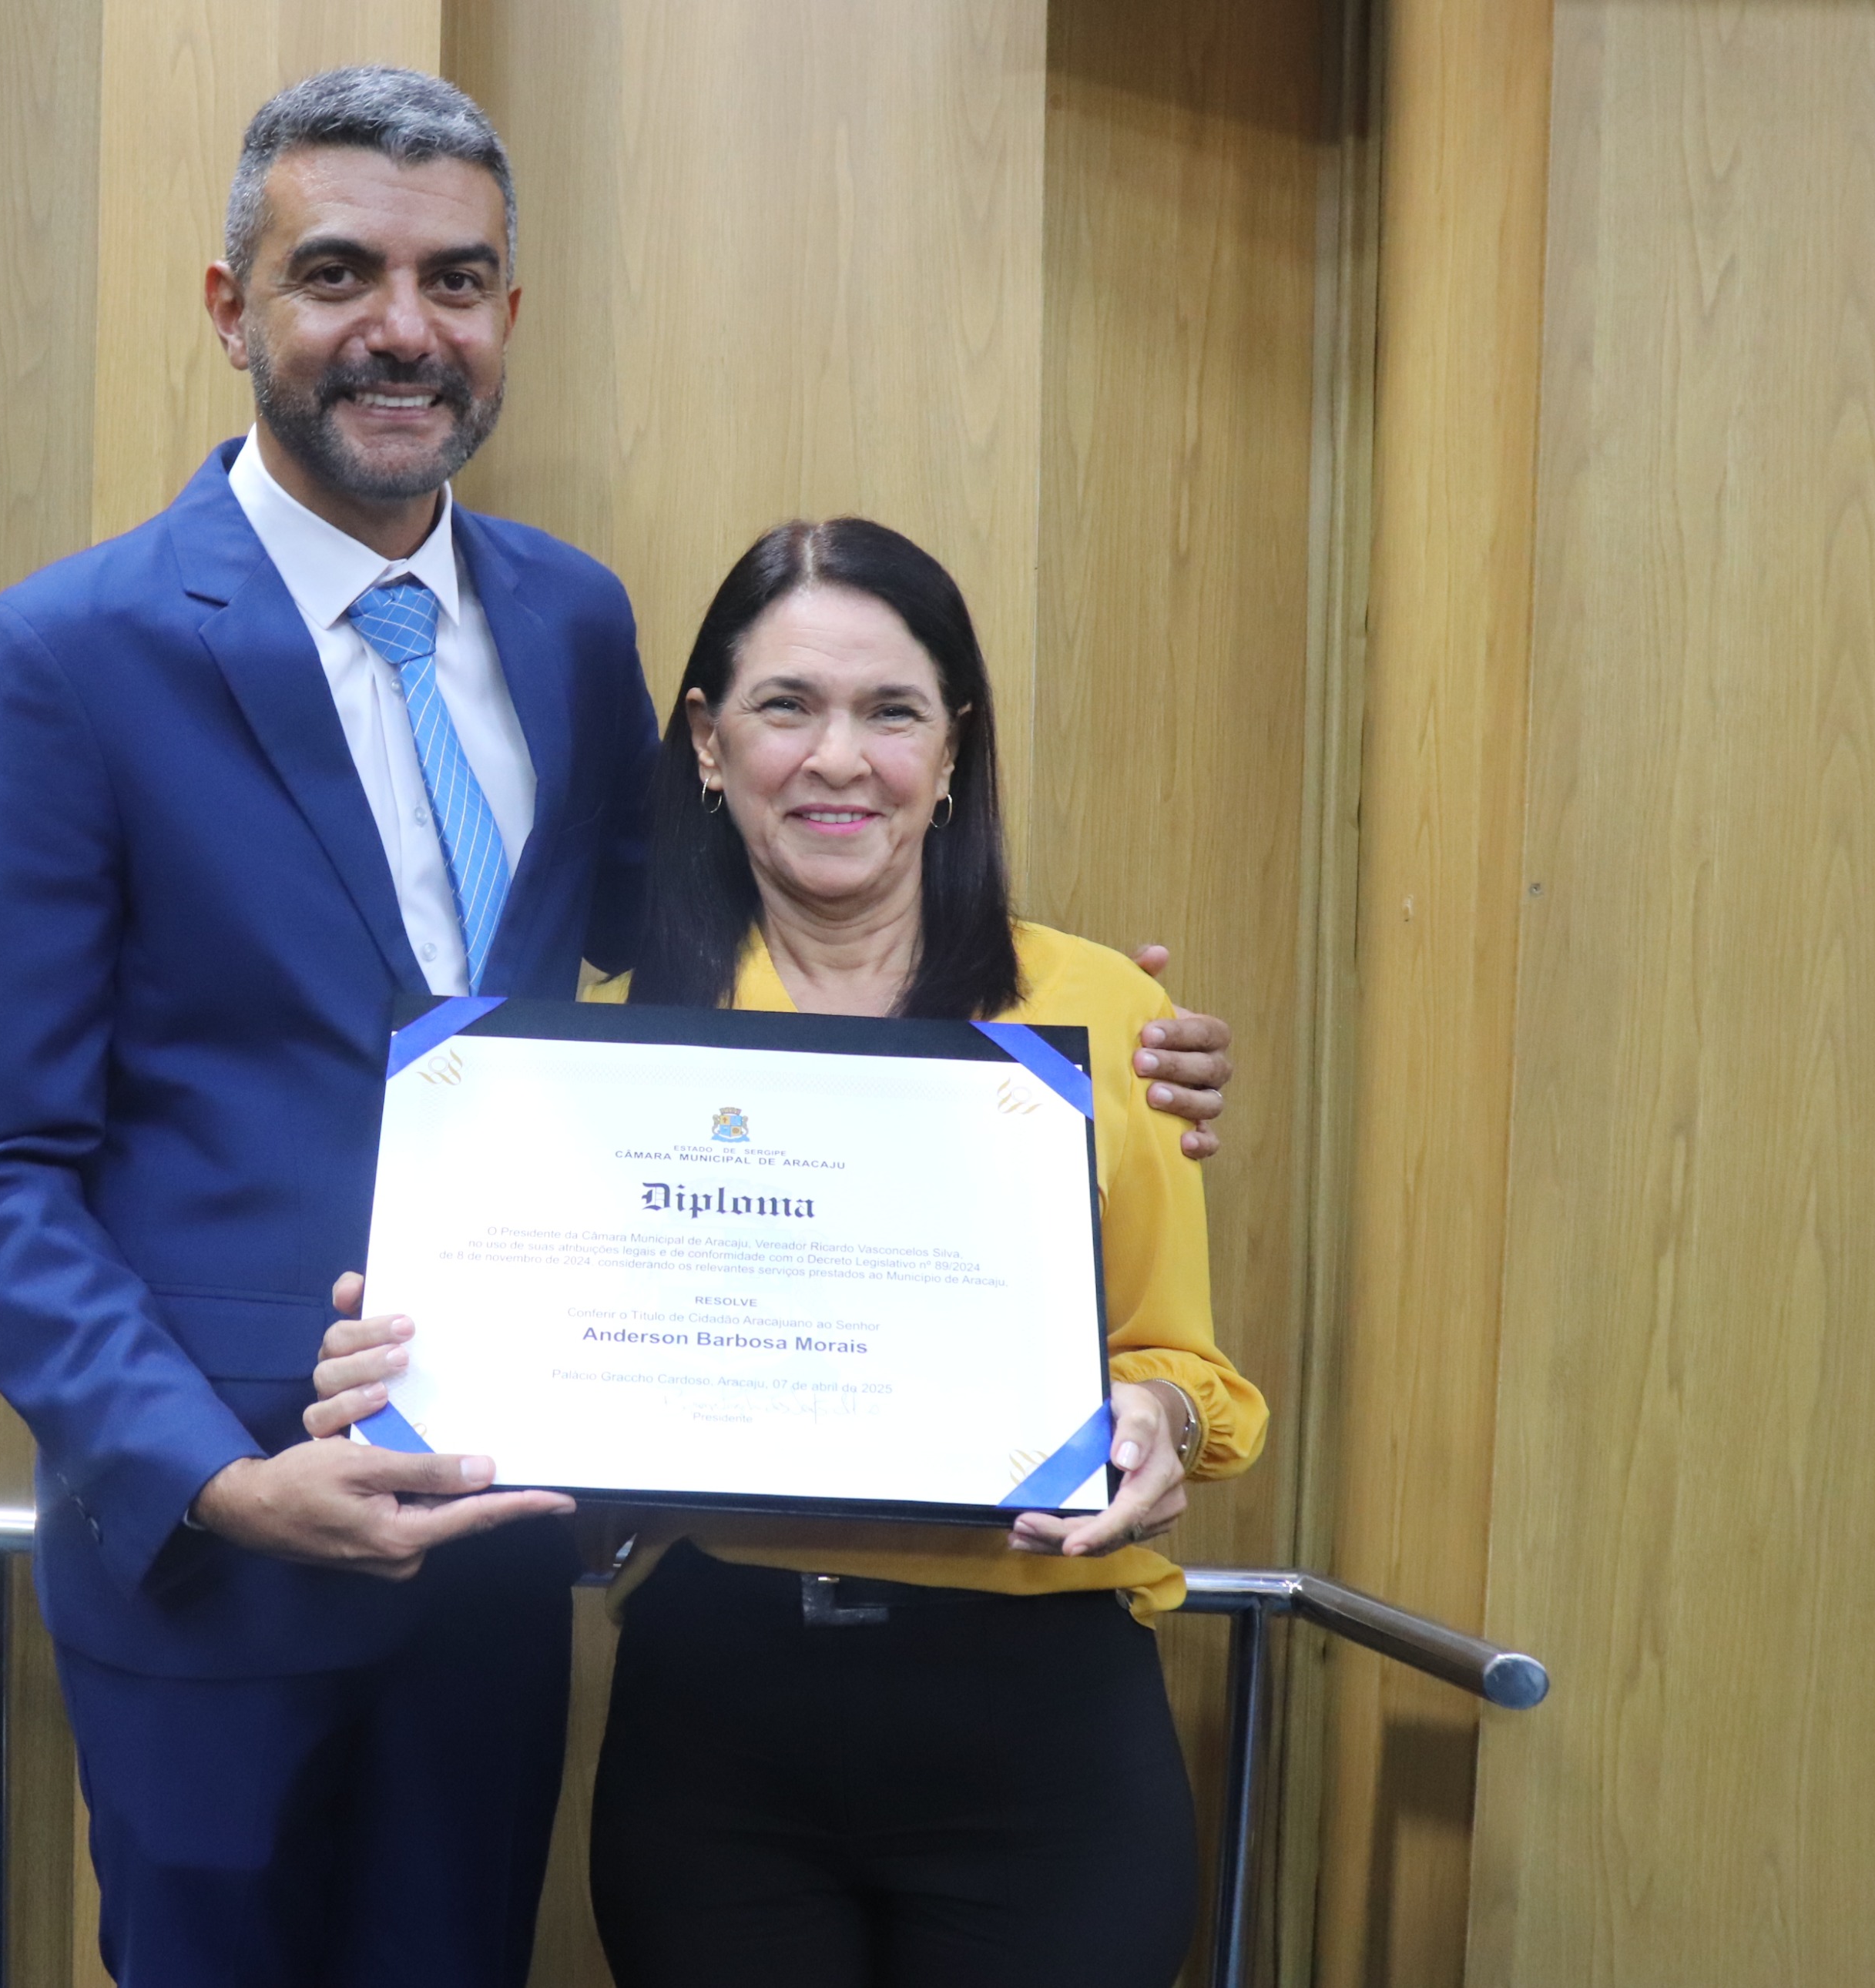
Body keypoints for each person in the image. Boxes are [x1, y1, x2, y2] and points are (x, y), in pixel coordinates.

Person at [0, 66, 1236, 1988]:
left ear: (506, 315)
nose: (401, 328)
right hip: (224, 1559)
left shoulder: (564, 620)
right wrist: (213, 1474)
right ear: (228, 308)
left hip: (497, 1544)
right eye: (338, 273)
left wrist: (1079, 1030)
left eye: (454, 281)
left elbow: (708, 947)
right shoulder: (69, 656)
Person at [310, 518, 1265, 1988]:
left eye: (892, 711)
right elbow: (533, 1376)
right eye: (786, 706)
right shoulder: (591, 1054)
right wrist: (416, 1371)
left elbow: (1180, 1362)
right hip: (720, 1725)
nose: (839, 759)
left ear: (954, 749)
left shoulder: (1097, 1020)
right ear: (708, 741)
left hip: (1046, 1732)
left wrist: (1159, 1420)